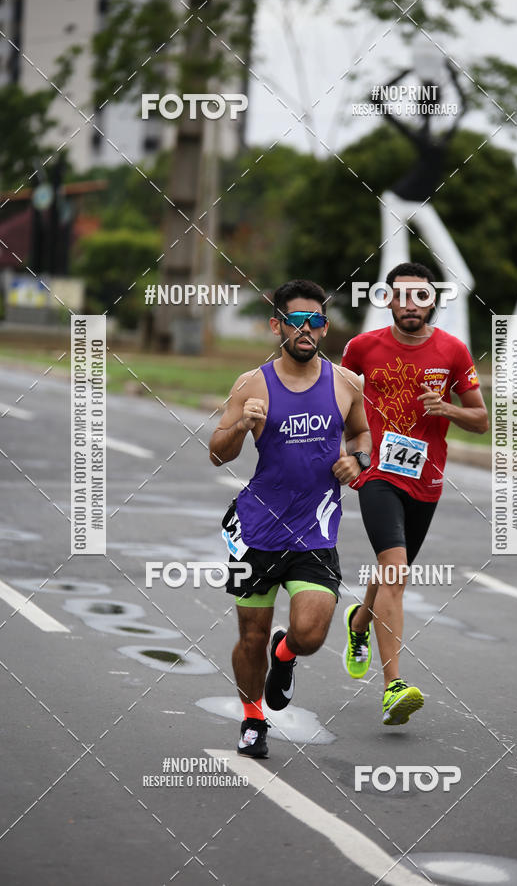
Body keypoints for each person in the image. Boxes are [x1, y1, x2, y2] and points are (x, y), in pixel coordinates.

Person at [209, 279, 371, 758]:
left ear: (324, 327)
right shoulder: (252, 384)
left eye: (315, 320)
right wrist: (242, 424)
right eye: (296, 320)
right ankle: (254, 719)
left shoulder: (345, 383)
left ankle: (286, 655)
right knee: (250, 635)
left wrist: (357, 461)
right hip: (256, 529)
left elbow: (362, 434)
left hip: (315, 530)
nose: (306, 329)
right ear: (276, 325)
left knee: (311, 634)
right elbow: (217, 454)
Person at [341, 262, 489, 726]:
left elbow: (481, 420)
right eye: (400, 296)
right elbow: (338, 399)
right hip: (377, 473)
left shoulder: (453, 352)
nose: (410, 305)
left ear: (432, 301)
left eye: (419, 296)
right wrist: (346, 451)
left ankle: (359, 624)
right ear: (387, 300)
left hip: (426, 479)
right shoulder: (362, 348)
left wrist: (447, 407)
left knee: (391, 573)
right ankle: (393, 687)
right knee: (396, 572)